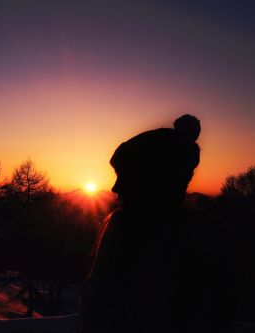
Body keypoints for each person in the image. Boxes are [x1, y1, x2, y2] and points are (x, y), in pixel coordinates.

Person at [79, 114, 238, 332]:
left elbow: (95, 311)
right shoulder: (211, 234)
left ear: (151, 181)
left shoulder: (125, 229)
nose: (115, 188)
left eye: (125, 176)